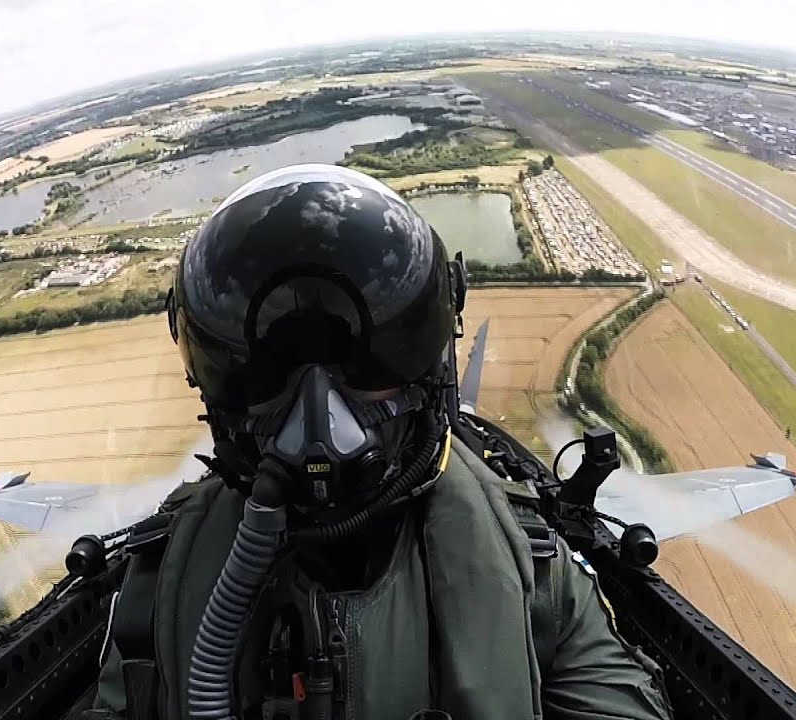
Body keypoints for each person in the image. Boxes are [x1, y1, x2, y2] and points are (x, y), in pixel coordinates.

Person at [88, 164, 673, 720]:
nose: (319, 415)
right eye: (269, 372)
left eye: (367, 366)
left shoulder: (535, 581)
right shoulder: (154, 591)